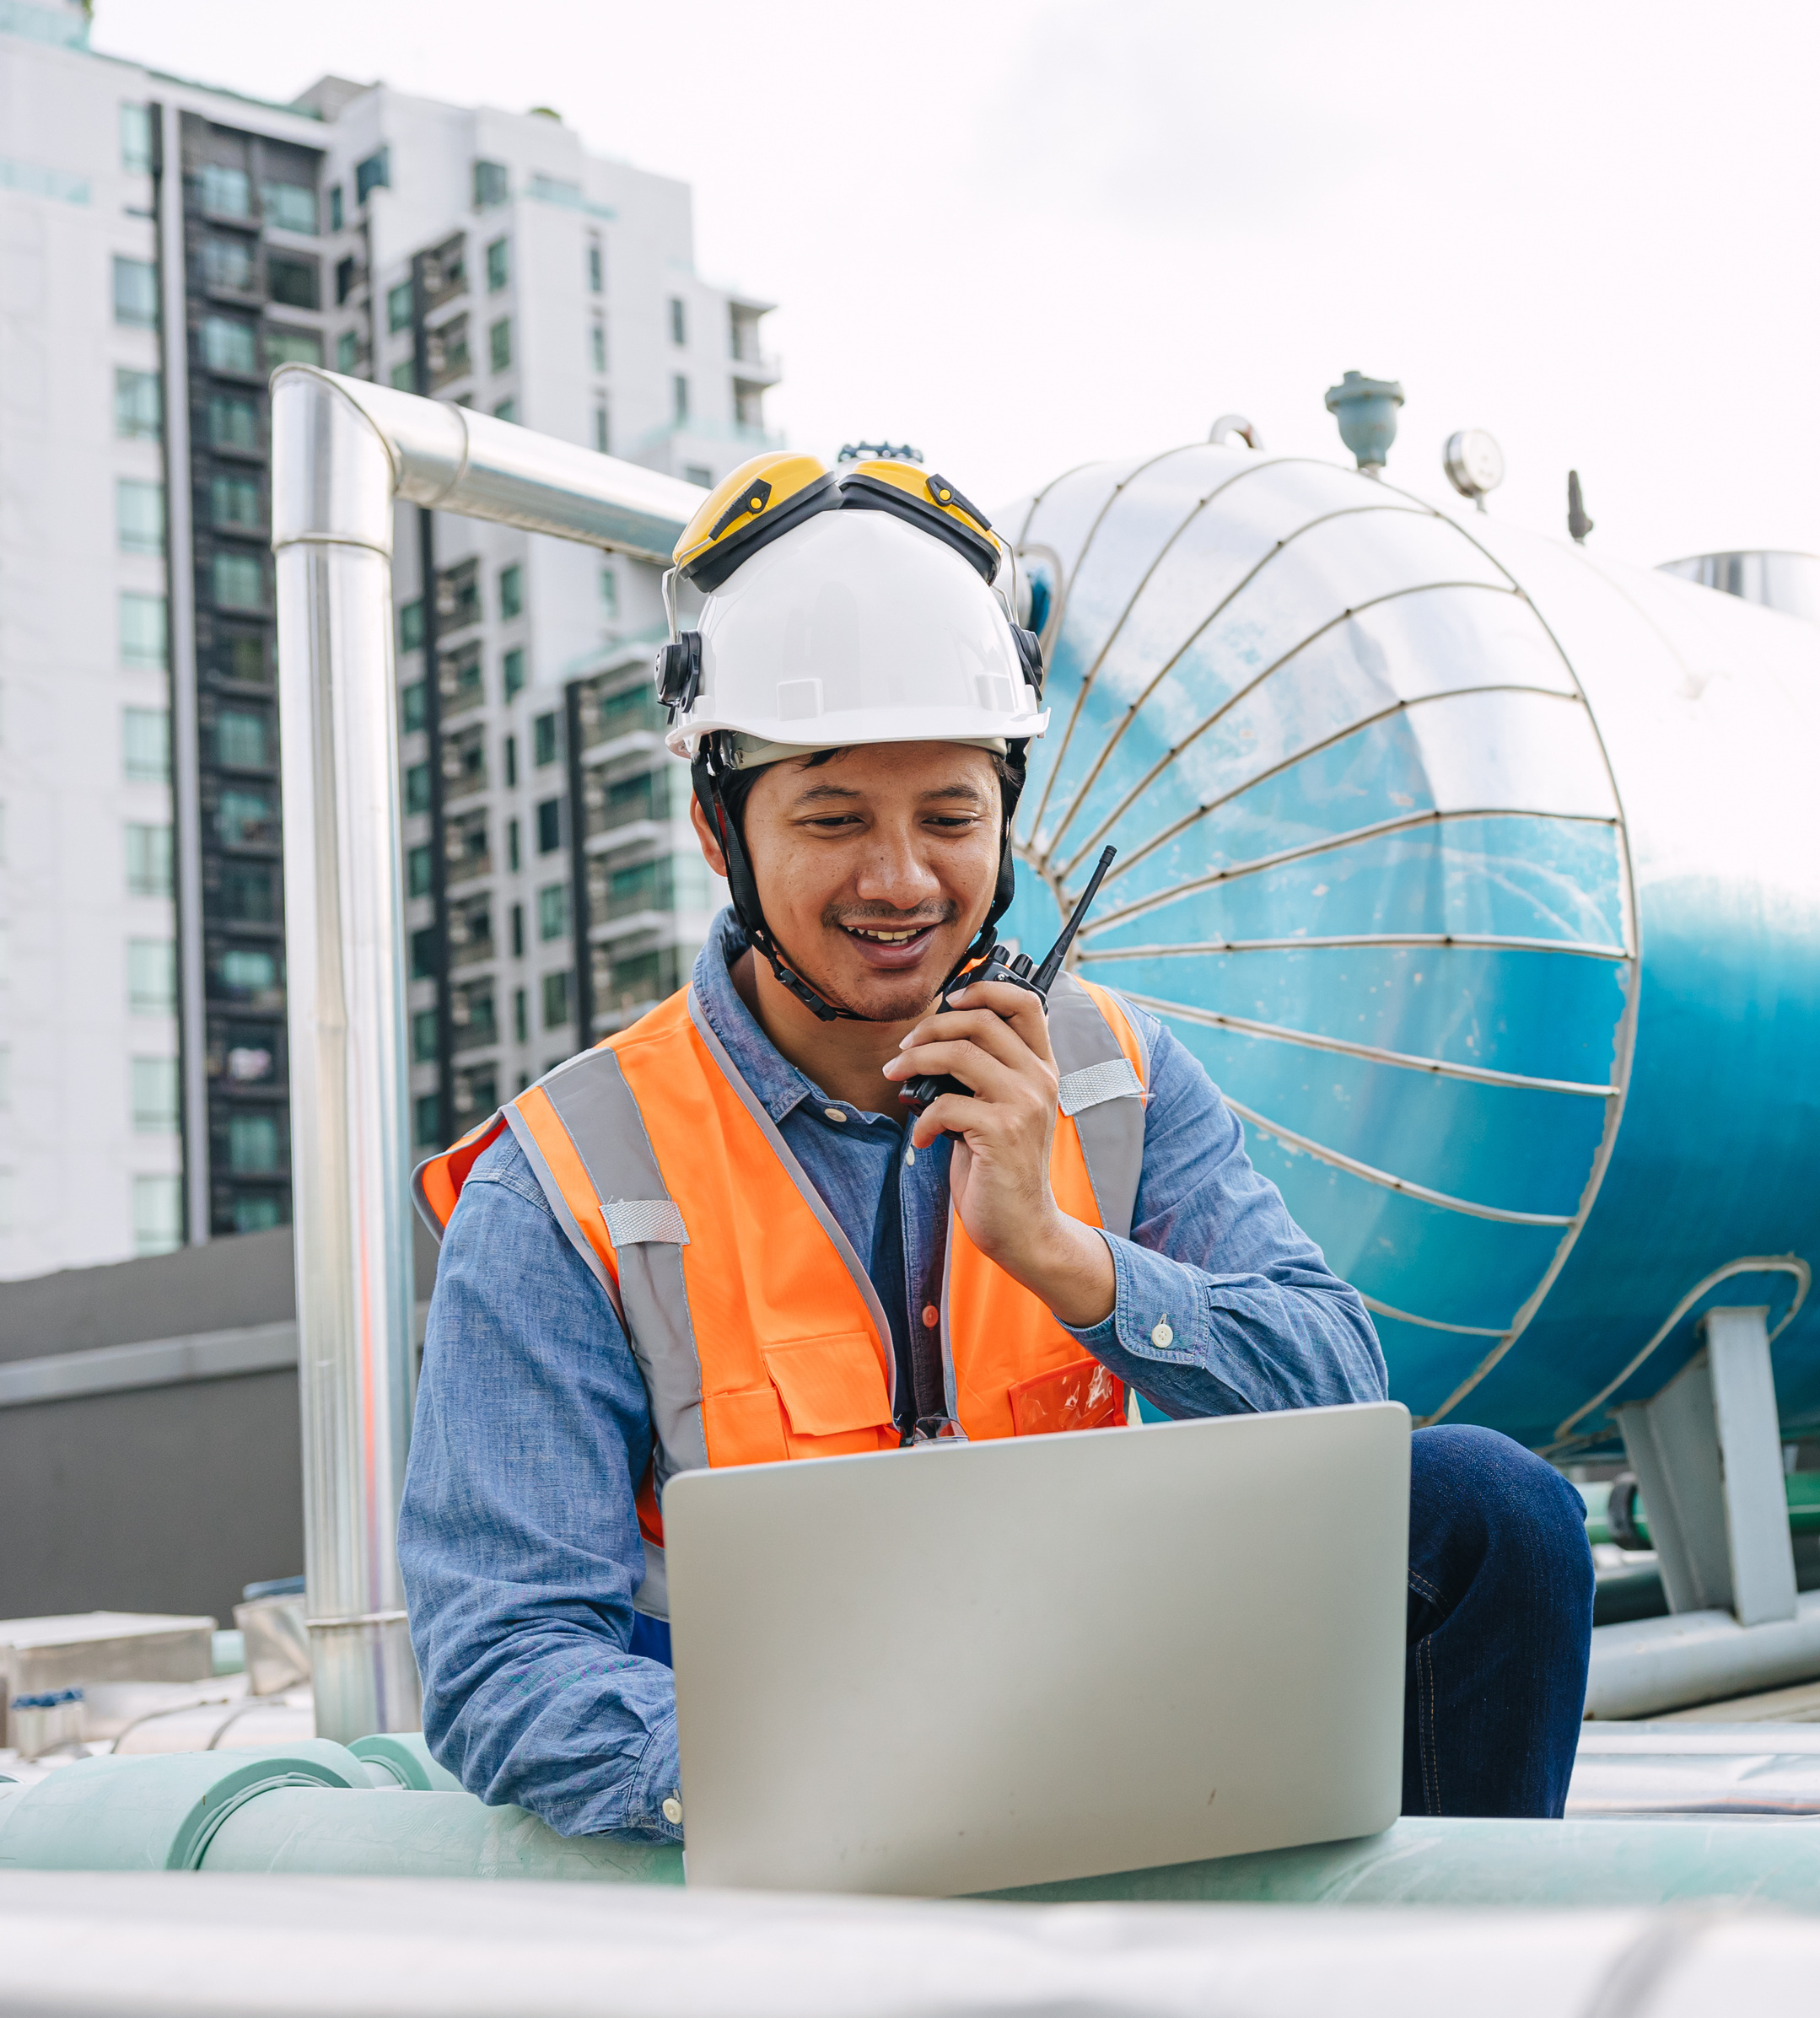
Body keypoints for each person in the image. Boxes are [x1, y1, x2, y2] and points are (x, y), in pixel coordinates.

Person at [400, 449, 1594, 1845]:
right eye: (834, 818)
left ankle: (1446, 2008)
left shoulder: (1109, 1075)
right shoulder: (571, 1179)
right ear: (717, 831)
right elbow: (503, 1660)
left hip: (1093, 1703)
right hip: (793, 1809)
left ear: (1007, 819)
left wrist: (1066, 1256)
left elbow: (1339, 1384)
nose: (902, 880)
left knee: (1490, 1515)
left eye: (951, 818)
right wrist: (874, 1774)